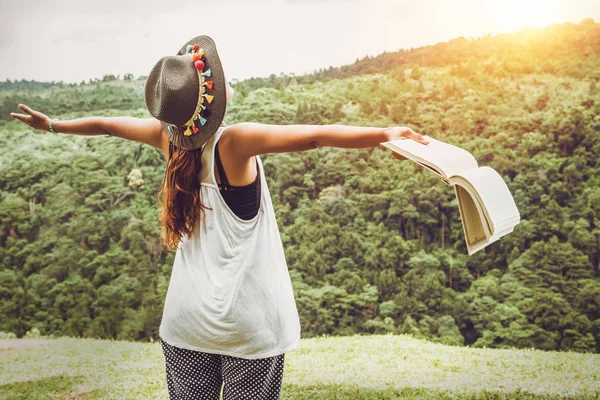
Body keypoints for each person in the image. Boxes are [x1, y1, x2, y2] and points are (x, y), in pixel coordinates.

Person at [10, 35, 430, 400]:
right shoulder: (234, 143)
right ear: (212, 99)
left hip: (185, 325)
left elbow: (107, 124)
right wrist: (384, 134)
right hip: (248, 328)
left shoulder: (166, 141)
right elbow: (315, 135)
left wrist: (54, 126)